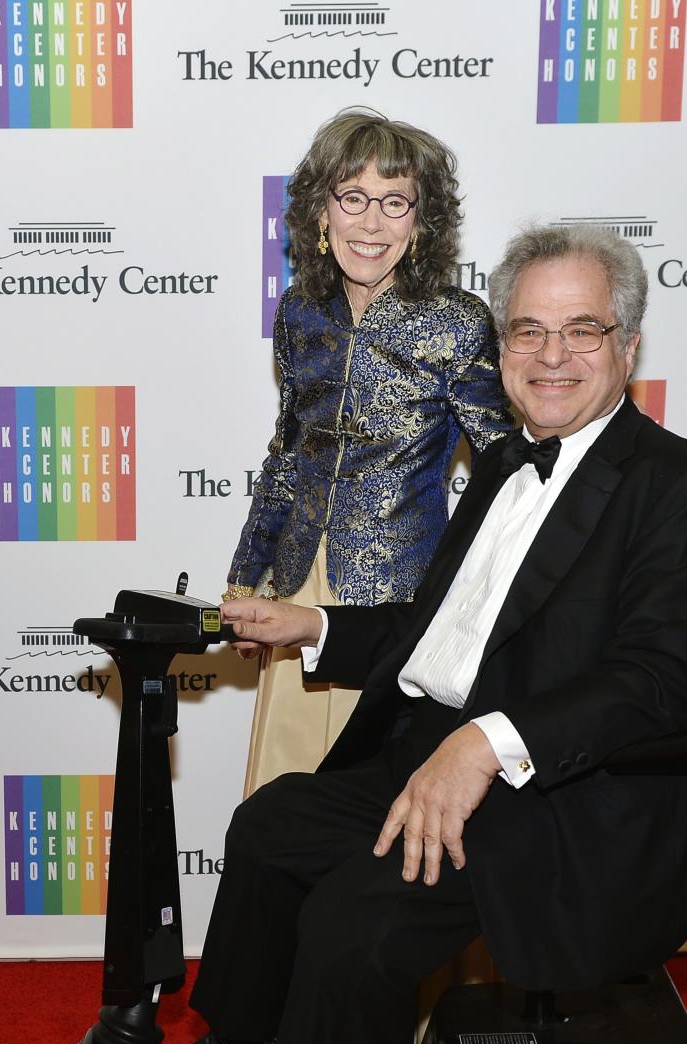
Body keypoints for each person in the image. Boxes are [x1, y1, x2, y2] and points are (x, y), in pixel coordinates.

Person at [161, 223, 687, 1044]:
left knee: (358, 918)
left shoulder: (672, 485)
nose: (552, 352)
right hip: (460, 754)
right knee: (277, 821)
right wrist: (316, 623)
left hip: (574, 802)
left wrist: (485, 744)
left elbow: (662, 682)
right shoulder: (506, 466)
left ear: (626, 345)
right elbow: (444, 636)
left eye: (582, 328)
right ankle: (250, 1038)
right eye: (528, 327)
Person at [225, 109, 513, 790]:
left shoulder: (457, 321)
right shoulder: (300, 311)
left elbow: (504, 474)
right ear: (320, 213)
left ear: (422, 222)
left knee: (367, 800)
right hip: (299, 578)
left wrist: (475, 598)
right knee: (282, 793)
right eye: (353, 199)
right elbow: (288, 453)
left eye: (395, 203)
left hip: (396, 607)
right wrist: (246, 574)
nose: (372, 223)